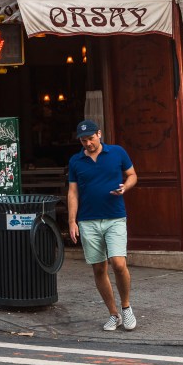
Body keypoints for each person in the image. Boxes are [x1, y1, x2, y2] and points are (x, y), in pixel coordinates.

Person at [67, 120, 138, 332]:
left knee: (118, 263)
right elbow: (72, 192)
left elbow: (133, 175)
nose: (87, 143)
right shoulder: (76, 161)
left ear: (99, 134)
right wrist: (72, 221)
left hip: (115, 216)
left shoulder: (117, 152)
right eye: (83, 140)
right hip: (88, 220)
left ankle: (126, 307)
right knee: (98, 268)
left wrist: (125, 187)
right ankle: (113, 314)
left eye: (90, 138)